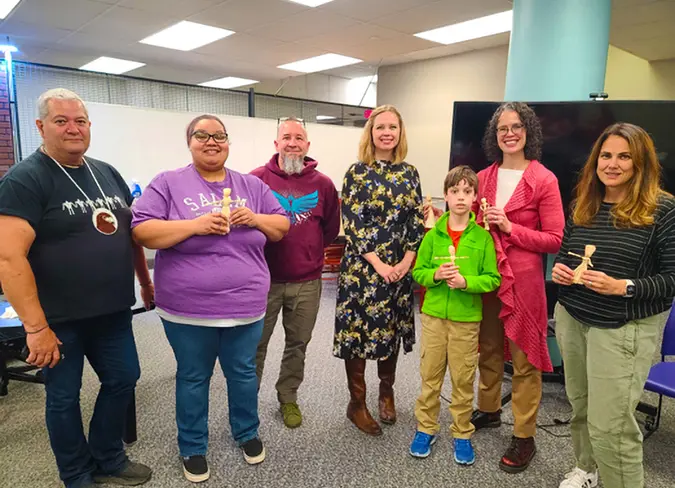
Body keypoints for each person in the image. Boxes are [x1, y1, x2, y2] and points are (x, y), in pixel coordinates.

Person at [0, 88, 153, 488]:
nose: (73, 128)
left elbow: (129, 234)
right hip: (58, 320)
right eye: (61, 121)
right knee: (64, 398)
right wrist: (35, 328)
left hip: (113, 312)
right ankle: (76, 473)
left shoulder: (106, 171)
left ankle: (108, 457)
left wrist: (145, 281)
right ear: (41, 127)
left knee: (123, 379)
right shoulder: (24, 179)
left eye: (80, 121)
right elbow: (9, 258)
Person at [131, 114, 289, 483]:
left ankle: (247, 432)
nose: (212, 141)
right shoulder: (168, 182)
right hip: (188, 309)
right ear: (190, 142)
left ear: (227, 143)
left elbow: (281, 226)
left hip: (245, 306)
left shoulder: (251, 186)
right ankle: (192, 445)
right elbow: (143, 231)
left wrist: (256, 218)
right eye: (202, 135)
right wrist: (195, 225)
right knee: (193, 377)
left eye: (219, 136)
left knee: (243, 374)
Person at [552, 123, 675, 488]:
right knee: (581, 407)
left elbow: (672, 278)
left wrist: (624, 287)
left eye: (624, 156)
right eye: (606, 155)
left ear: (641, 163)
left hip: (622, 328)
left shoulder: (663, 210)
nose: (613, 164)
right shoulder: (584, 203)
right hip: (573, 317)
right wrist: (561, 271)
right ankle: (586, 468)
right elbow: (566, 253)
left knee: (612, 427)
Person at [471, 102, 565, 473]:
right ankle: (490, 409)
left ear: (529, 132)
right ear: (494, 136)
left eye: (516, 127)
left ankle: (524, 435)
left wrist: (510, 229)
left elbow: (555, 239)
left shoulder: (544, 179)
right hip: (487, 278)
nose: (509, 134)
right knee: (488, 349)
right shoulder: (482, 177)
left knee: (525, 359)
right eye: (502, 129)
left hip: (524, 283)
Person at [334, 104, 424, 436]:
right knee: (358, 335)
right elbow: (354, 223)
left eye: (393, 127)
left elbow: (416, 220)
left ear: (400, 133)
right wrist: (380, 264)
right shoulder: (356, 172)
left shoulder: (410, 172)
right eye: (380, 127)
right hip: (363, 269)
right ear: (370, 133)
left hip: (399, 269)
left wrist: (405, 262)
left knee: (391, 331)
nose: (386, 132)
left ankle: (386, 392)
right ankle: (357, 403)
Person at [251, 117, 340, 429]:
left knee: (297, 343)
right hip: (264, 281)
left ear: (307, 145)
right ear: (276, 144)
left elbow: (329, 230)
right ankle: (247, 403)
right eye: (286, 137)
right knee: (254, 345)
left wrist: (307, 252)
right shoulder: (256, 179)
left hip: (307, 281)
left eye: (298, 138)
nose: (292, 142)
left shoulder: (324, 185)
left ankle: (288, 396)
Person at [410, 165, 500, 464]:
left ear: (475, 197)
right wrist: (435, 274)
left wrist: (466, 283)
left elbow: (492, 279)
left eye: (467, 191)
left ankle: (462, 432)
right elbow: (418, 272)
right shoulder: (433, 235)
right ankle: (426, 427)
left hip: (466, 320)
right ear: (445, 196)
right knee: (430, 376)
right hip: (434, 316)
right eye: (454, 191)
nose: (461, 197)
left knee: (463, 379)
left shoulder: (483, 238)